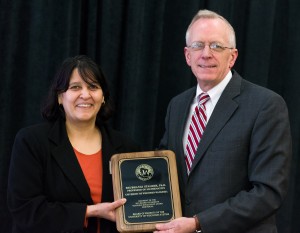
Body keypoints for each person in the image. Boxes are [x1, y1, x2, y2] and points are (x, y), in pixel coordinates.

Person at [155, 9, 292, 233]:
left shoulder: (266, 105)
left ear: (233, 56)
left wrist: (199, 223)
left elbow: (268, 192)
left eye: (217, 46)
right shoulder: (177, 106)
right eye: (198, 45)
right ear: (187, 55)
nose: (206, 54)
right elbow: (165, 167)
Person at [7, 55, 140, 233]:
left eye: (93, 87)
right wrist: (90, 212)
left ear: (103, 98)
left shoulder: (127, 147)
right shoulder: (32, 141)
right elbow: (25, 210)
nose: (85, 95)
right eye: (75, 87)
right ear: (60, 97)